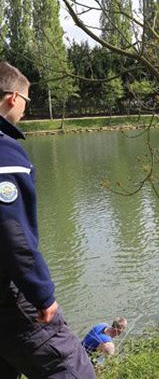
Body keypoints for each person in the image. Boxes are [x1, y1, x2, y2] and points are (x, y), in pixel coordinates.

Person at [0, 61, 95, 378]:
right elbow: (12, 233)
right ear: (13, 98)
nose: (25, 110)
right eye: (26, 102)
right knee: (72, 370)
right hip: (10, 298)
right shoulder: (5, 153)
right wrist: (42, 293)